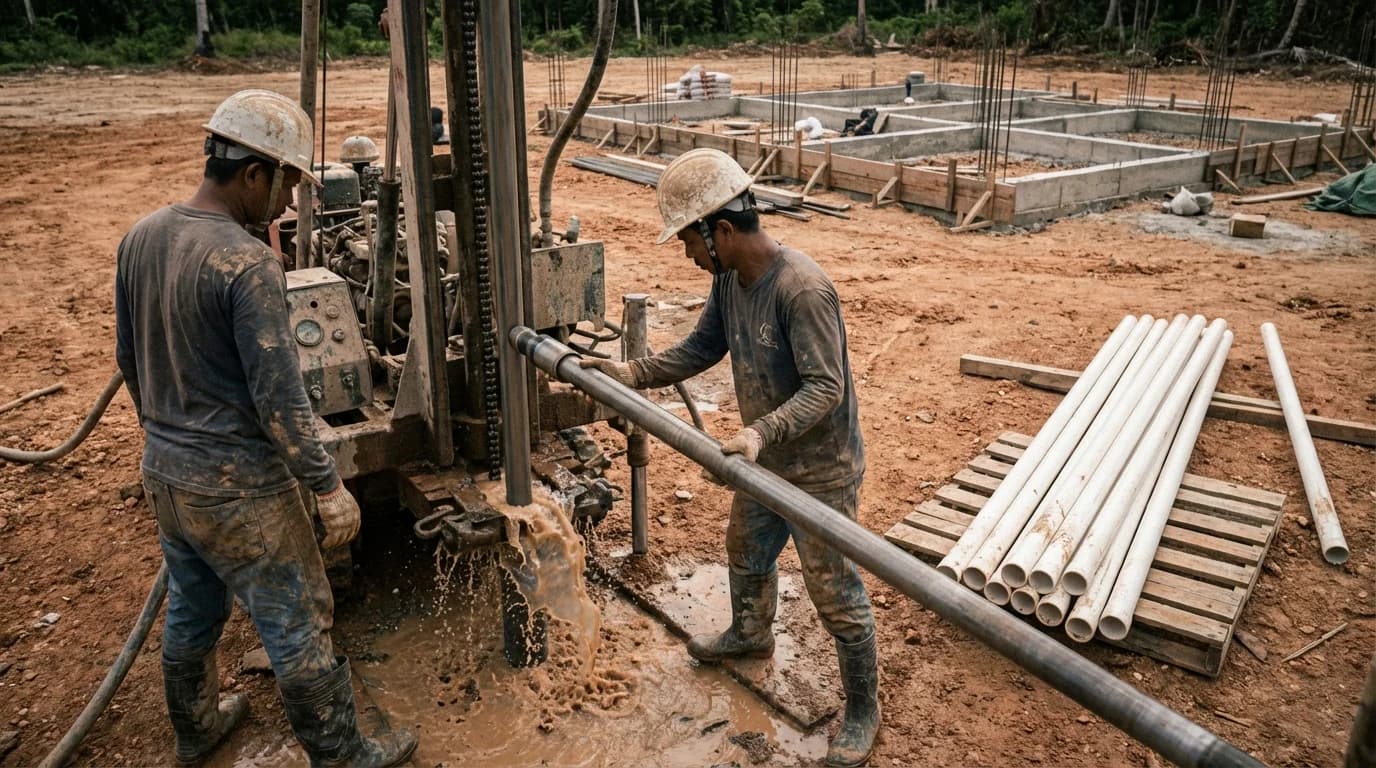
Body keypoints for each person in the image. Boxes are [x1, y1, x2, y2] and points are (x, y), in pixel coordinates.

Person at [114, 89, 417, 768]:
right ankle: (342, 756)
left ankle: (197, 728)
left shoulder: (142, 237)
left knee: (195, 608)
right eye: (286, 185)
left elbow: (128, 361)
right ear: (254, 173)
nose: (288, 205)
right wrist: (329, 487)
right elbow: (280, 399)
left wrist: (170, 439)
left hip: (167, 475)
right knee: (298, 617)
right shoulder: (246, 264)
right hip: (242, 489)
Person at [579, 148, 880, 767]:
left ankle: (862, 708)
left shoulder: (802, 290)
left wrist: (761, 431)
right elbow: (703, 347)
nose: (687, 255)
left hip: (820, 470)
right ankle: (750, 633)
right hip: (765, 459)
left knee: (835, 593)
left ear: (720, 230)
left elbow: (827, 389)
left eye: (688, 240)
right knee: (745, 550)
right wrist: (631, 372)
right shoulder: (728, 281)